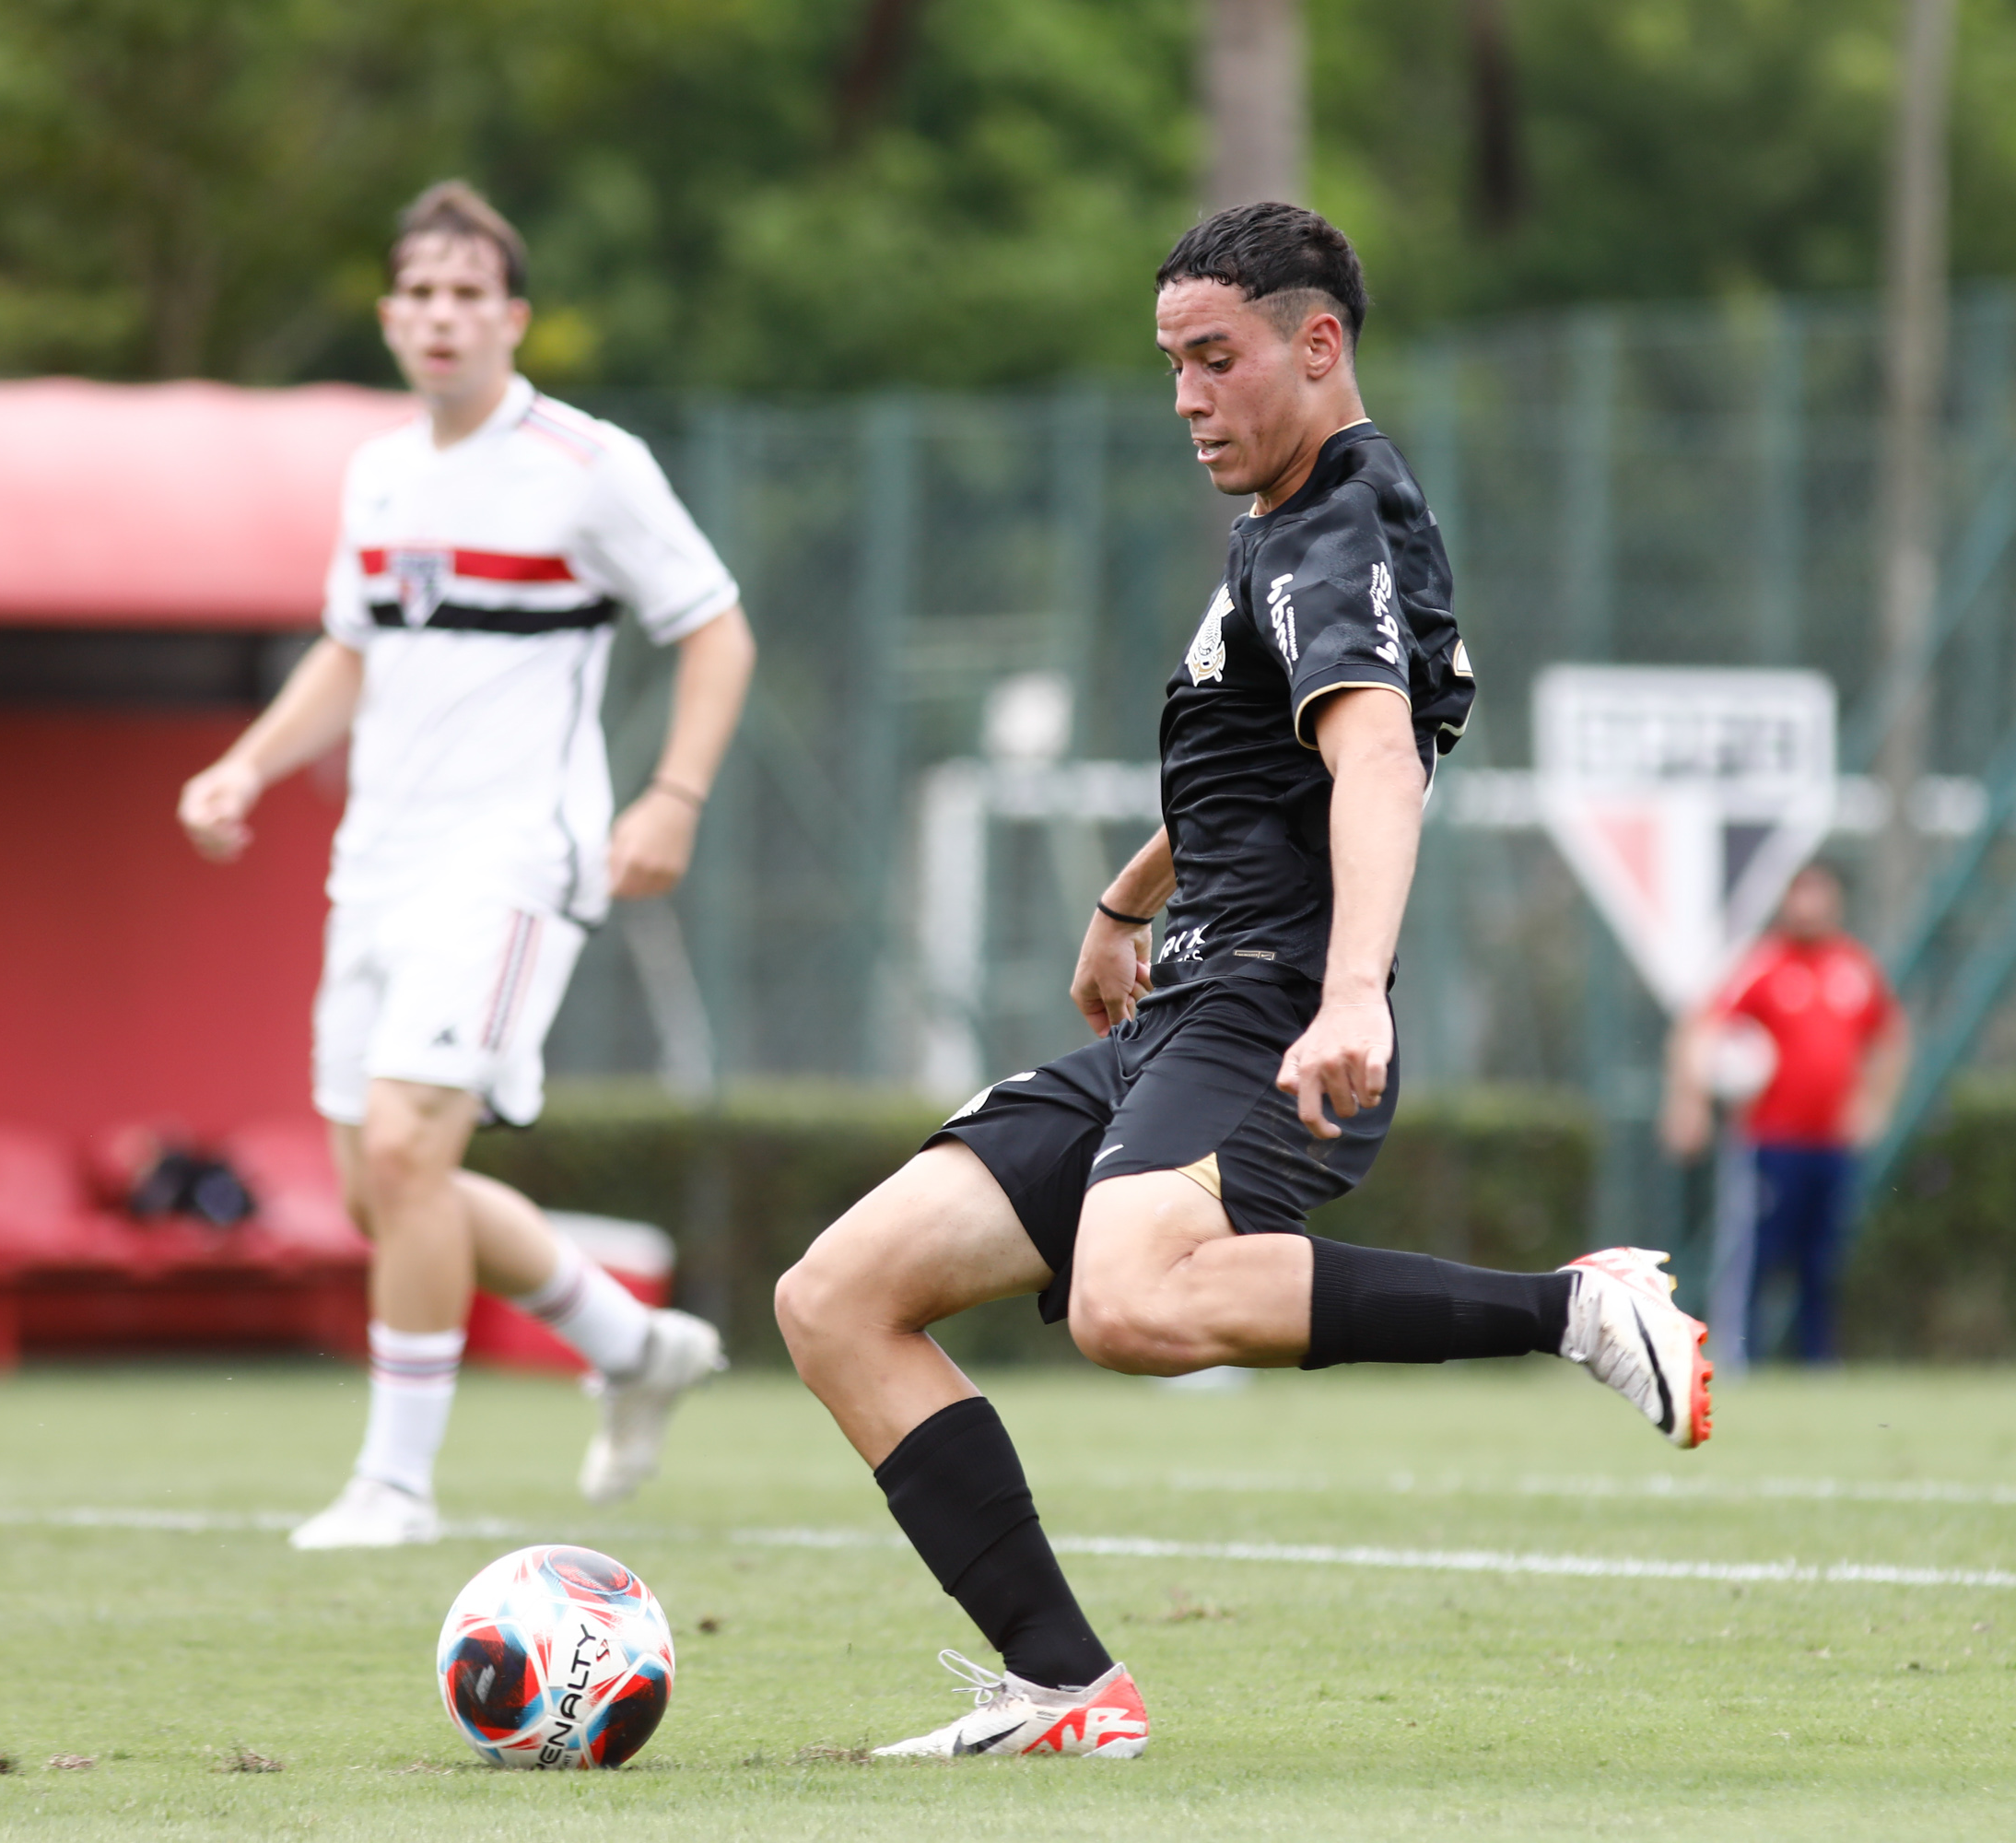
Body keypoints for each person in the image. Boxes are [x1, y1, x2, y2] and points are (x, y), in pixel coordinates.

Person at [773, 203, 1714, 1761]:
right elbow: (1251, 763)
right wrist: (1123, 898)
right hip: (1178, 1010)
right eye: (1170, 366)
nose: (1186, 397)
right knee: (835, 1300)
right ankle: (1070, 1692)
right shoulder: (1279, 525)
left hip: (1270, 1008)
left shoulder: (1339, 524)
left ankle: (1574, 1308)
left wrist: (1354, 991)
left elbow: (1372, 765)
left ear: (1316, 344)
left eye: (1214, 360)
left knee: (1125, 1305)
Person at [179, 181, 756, 1549]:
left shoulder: (585, 465)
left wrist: (671, 797)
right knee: (386, 1190)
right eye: (418, 295)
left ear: (512, 319)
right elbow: (351, 647)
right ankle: (629, 1343)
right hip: (375, 860)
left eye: (466, 296)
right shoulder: (379, 473)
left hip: (512, 863)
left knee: (405, 1149)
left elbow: (716, 629)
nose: (440, 318)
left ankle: (396, 1486)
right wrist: (247, 766)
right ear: (391, 318)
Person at [1660, 863, 1907, 1367]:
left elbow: (1891, 1038)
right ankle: (1738, 1364)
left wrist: (1874, 1107)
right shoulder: (1765, 964)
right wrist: (1689, 1101)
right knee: (1757, 1258)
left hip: (1832, 1145)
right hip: (1769, 1144)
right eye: (1800, 895)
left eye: (1818, 895)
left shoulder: (1853, 968)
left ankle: (1818, 1365)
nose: (1808, 907)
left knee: (1824, 1261)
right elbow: (1701, 1026)